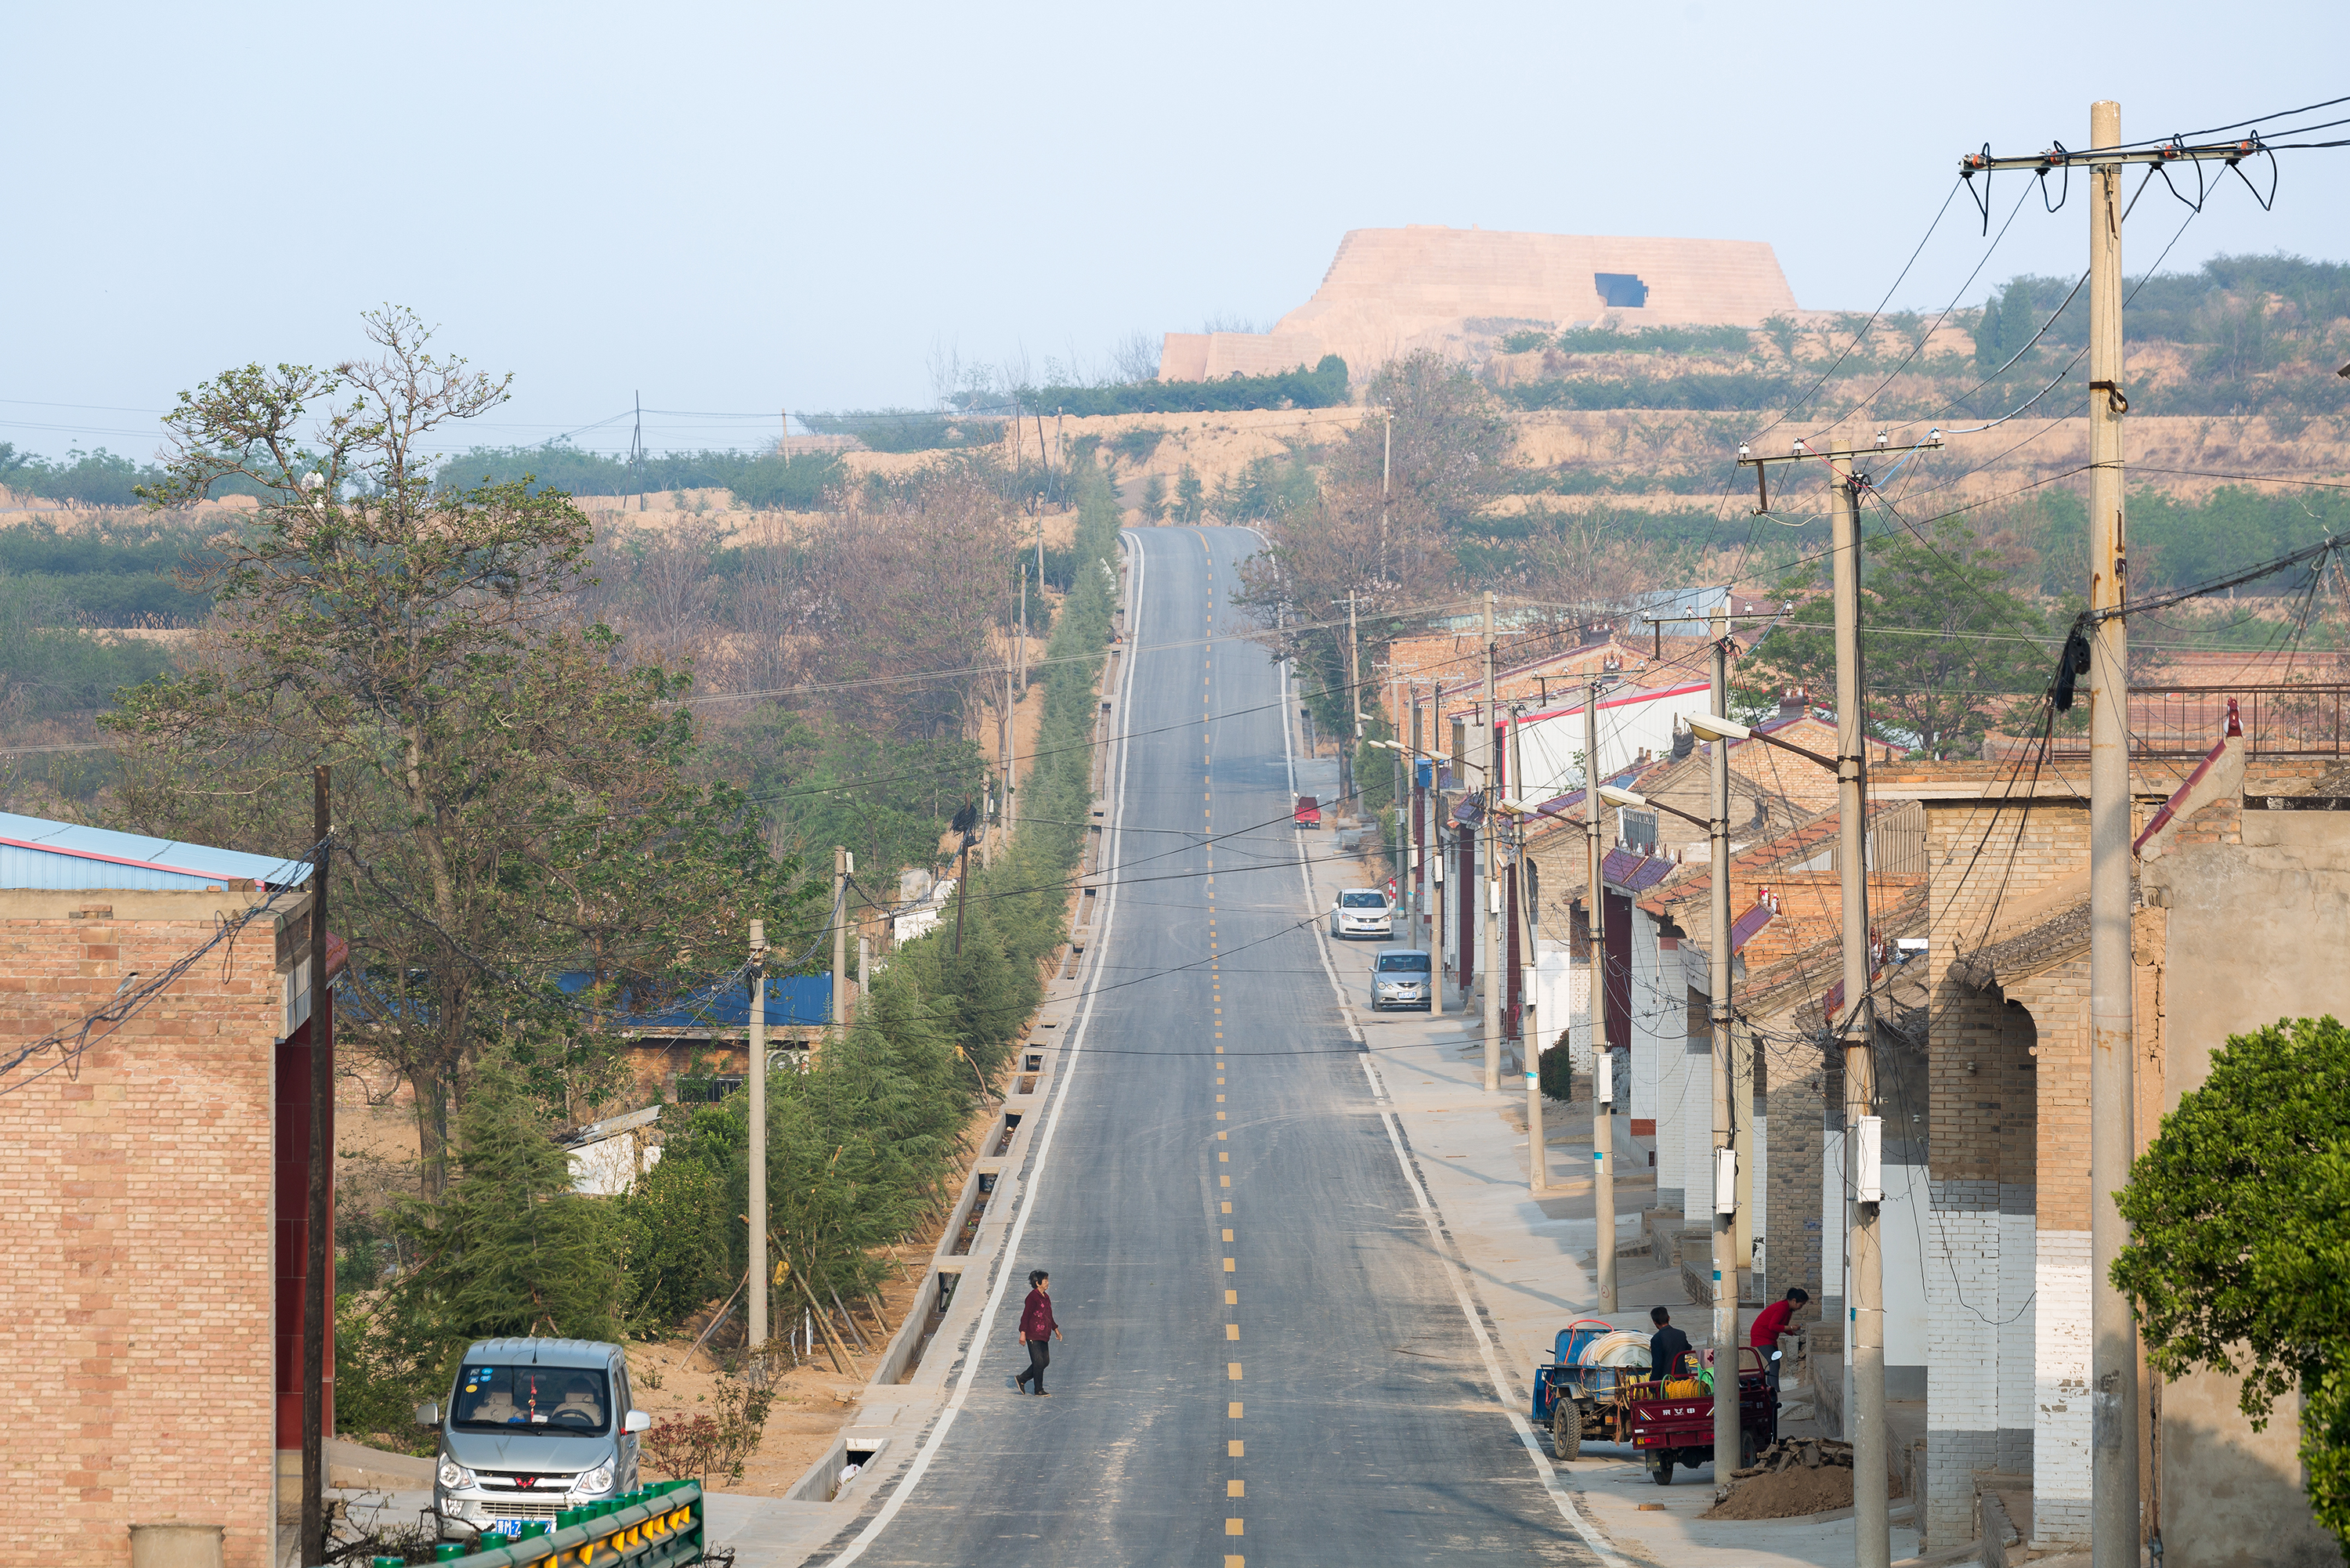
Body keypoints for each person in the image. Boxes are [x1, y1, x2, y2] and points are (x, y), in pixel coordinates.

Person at [1750, 1287, 1809, 1393]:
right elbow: (1773, 1326)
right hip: (1761, 1336)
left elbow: (1783, 1326)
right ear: (1794, 1301)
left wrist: (1793, 1332)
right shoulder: (1782, 1308)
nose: (1801, 1307)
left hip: (1771, 1337)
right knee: (1774, 1362)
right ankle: (1776, 1391)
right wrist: (1791, 1328)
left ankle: (1769, 1388)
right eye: (1801, 1305)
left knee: (1773, 1362)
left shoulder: (1788, 1310)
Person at [1015, 1270, 1064, 1396]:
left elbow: (1049, 1316)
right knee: (1038, 1362)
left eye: (1047, 1280)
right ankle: (1038, 1389)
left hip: (1044, 1335)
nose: (1047, 1283)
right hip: (1033, 1335)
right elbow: (1025, 1316)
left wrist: (1056, 1329)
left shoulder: (1046, 1297)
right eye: (1045, 1280)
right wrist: (1023, 1333)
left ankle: (1022, 1378)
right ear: (1038, 1283)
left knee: (1045, 1361)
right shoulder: (1032, 1297)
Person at [1648, 1306, 1693, 1383]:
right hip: (1683, 1379)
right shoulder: (1681, 1334)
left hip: (1666, 1381)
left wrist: (1652, 1382)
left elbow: (1657, 1364)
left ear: (1654, 1322)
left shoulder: (1657, 1339)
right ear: (1669, 1318)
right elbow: (1688, 1348)